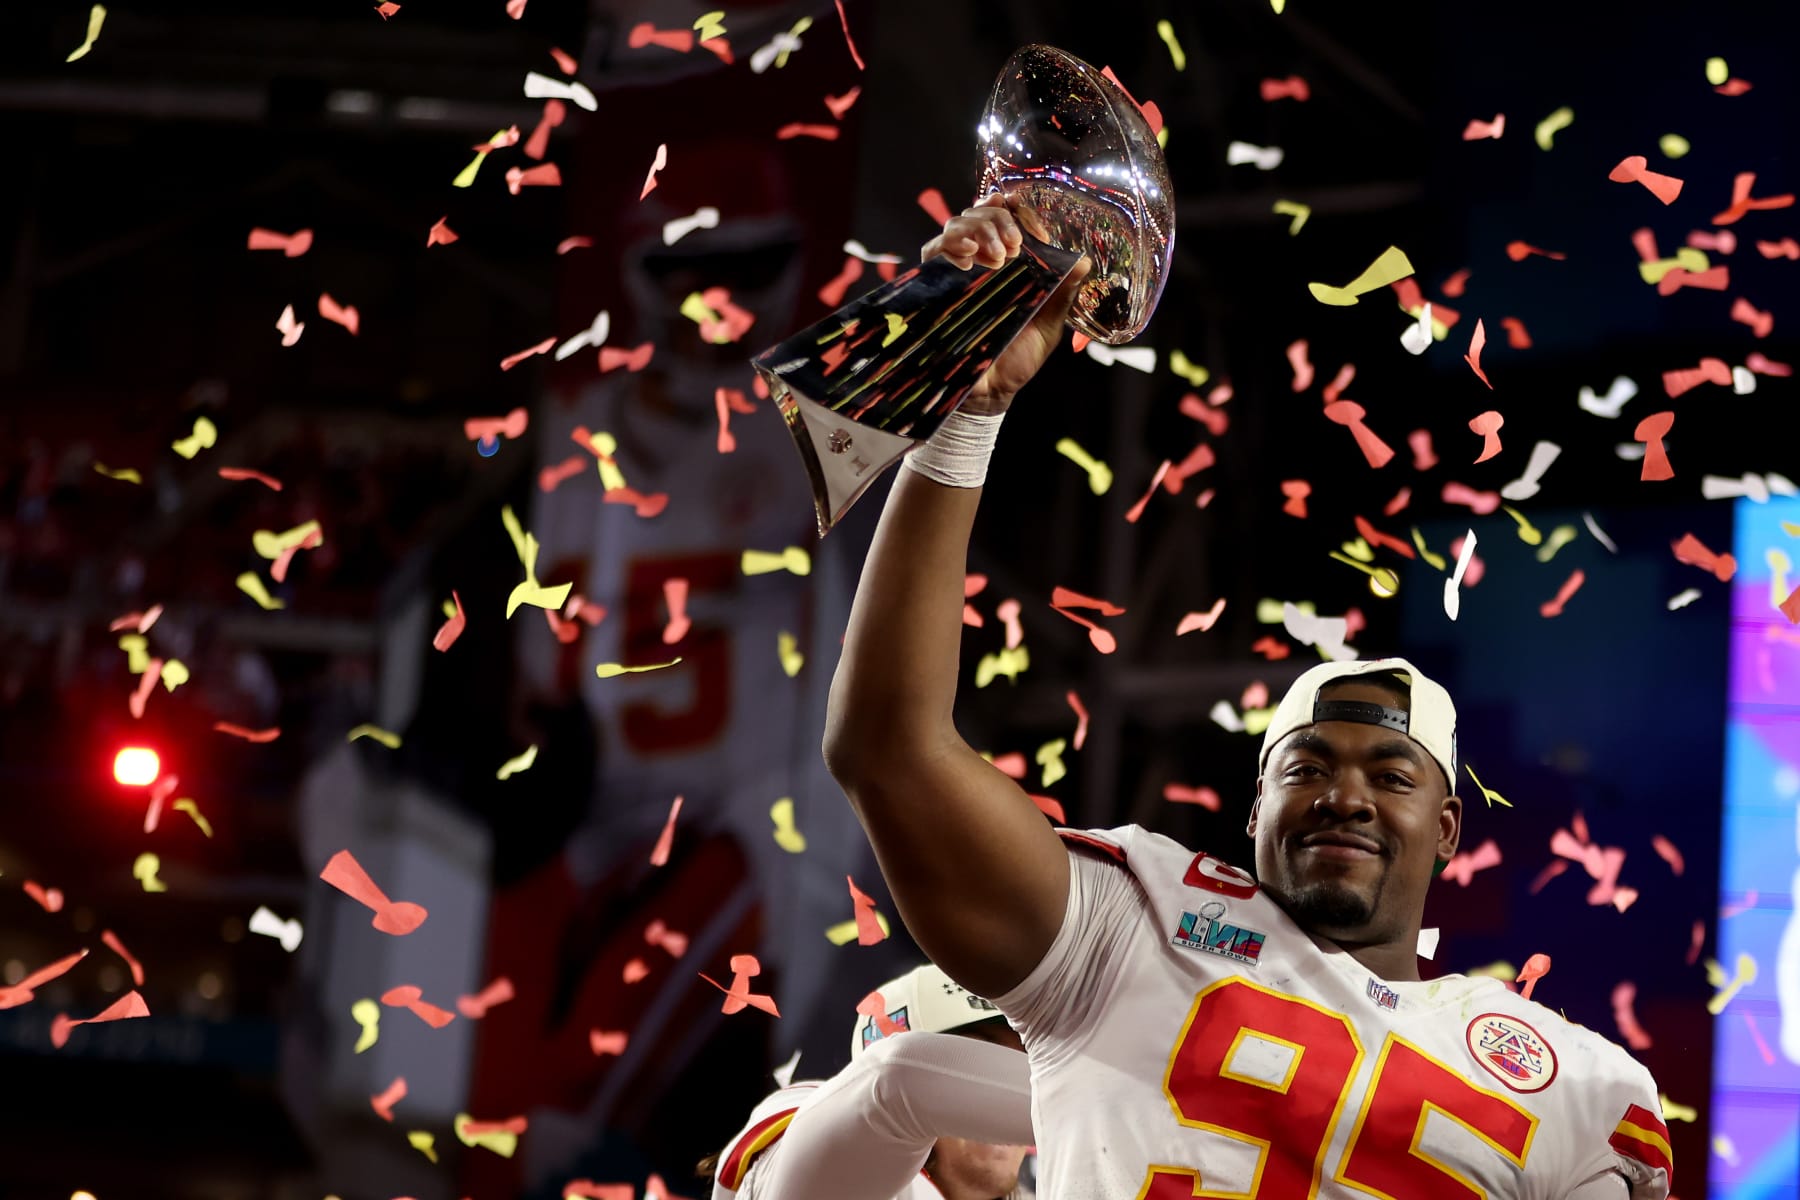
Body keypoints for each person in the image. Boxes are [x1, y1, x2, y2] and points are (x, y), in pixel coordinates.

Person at [821, 195, 1674, 1198]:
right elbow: (889, 749)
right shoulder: (1124, 931)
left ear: (1447, 827)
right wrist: (965, 420)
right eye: (1304, 767)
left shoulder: (1579, 1088)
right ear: (1254, 808)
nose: (1343, 794)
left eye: (1388, 773)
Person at [706, 962, 1035, 1200]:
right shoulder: (806, 1136)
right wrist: (1070, 1097)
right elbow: (894, 1081)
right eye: (983, 1056)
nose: (1005, 1078)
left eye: (1026, 1059)